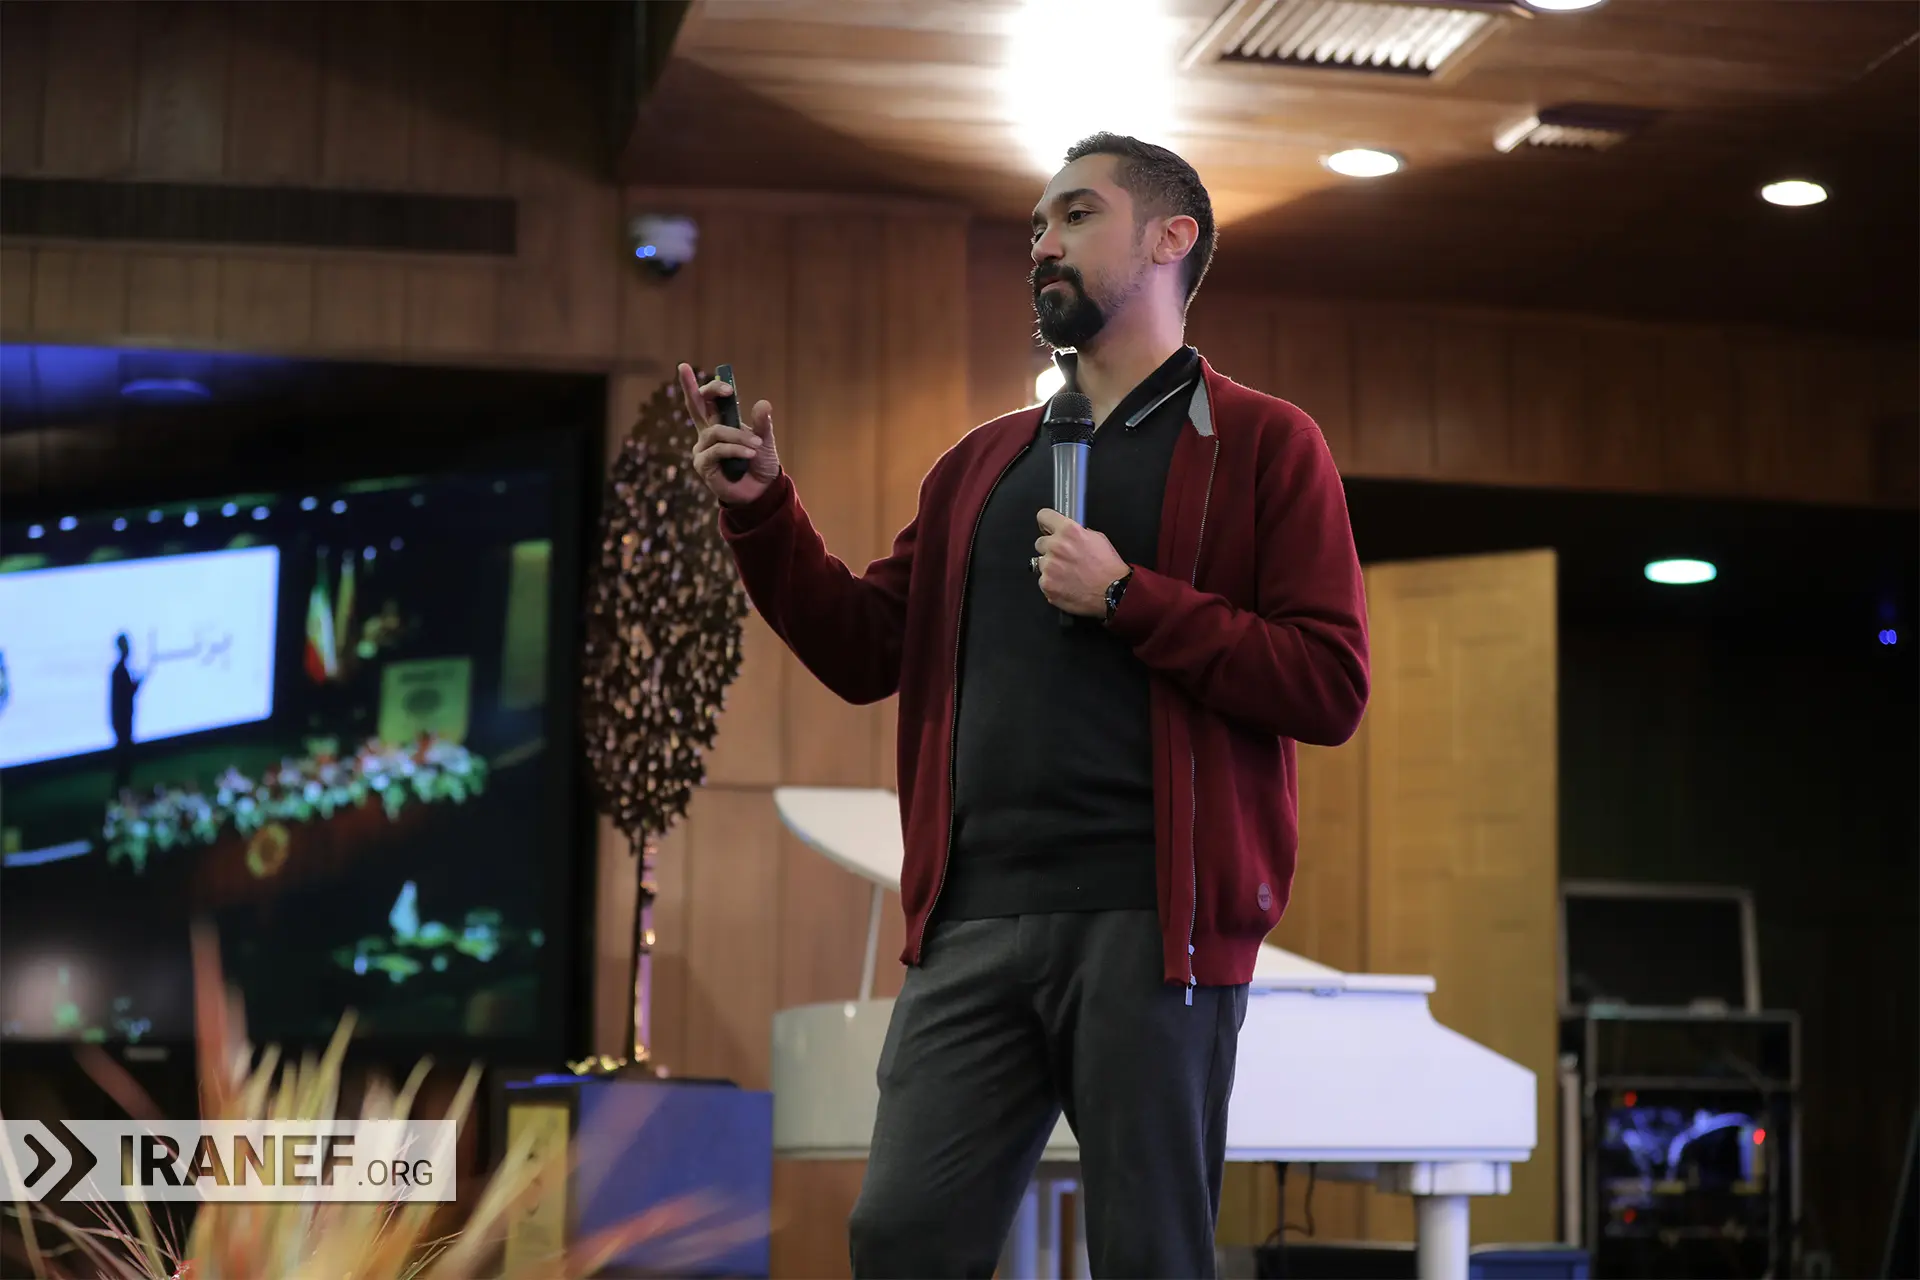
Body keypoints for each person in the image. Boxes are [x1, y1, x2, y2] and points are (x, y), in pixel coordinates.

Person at [682, 132, 1370, 1279]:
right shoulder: (980, 465)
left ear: (1172, 237)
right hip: (971, 922)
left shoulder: (1261, 442)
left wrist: (1131, 597)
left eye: (1076, 215)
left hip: (1153, 925)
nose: (1044, 243)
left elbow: (1329, 679)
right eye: (1037, 226)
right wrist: (762, 513)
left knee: (1149, 1255)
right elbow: (864, 646)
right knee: (900, 1236)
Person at [108, 632, 143, 793]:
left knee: (126, 760)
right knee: (124, 761)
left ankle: (123, 790)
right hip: (122, 723)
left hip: (124, 722)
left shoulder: (120, 670)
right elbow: (124, 696)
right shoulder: (119, 671)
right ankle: (121, 792)